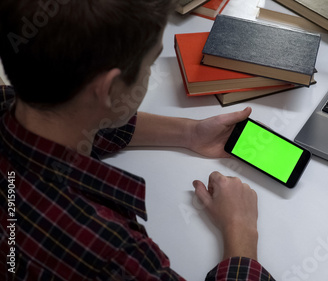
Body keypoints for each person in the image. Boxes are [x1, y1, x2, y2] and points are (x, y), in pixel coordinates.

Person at [0, 0, 275, 280]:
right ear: (107, 89)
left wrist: (190, 133)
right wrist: (240, 230)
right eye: (151, 63)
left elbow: (75, 116)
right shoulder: (112, 256)